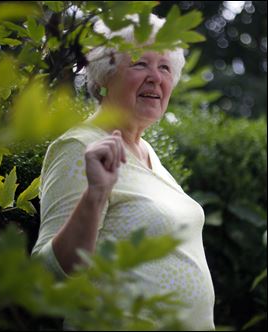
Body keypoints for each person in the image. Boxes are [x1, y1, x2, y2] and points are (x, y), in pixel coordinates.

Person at [32, 14, 215, 331]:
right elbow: (46, 273)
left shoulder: (147, 153)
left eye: (165, 68)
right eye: (141, 64)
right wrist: (95, 196)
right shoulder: (78, 147)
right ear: (104, 76)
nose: (156, 78)